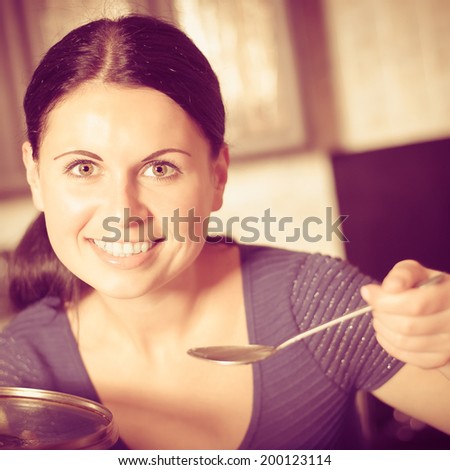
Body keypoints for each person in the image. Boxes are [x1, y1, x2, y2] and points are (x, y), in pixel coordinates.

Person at [1, 14, 449, 450]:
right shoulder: (18, 374)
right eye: (83, 167)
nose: (123, 213)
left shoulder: (314, 304)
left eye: (160, 168)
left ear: (217, 176)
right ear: (36, 175)